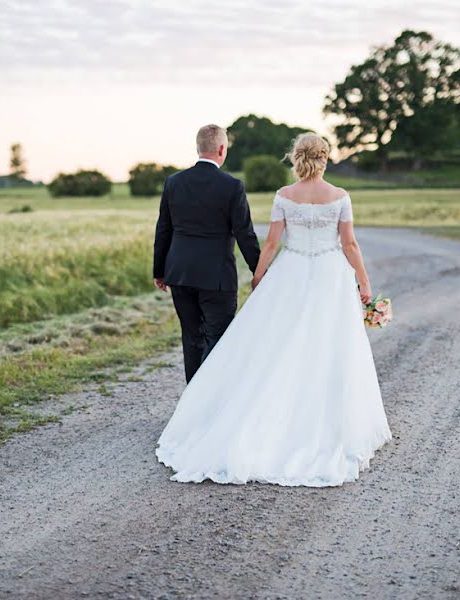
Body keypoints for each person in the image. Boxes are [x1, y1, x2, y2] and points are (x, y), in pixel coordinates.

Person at [155, 132, 392, 487]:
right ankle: (324, 420)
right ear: (324, 158)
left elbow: (271, 241)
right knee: (328, 345)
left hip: (291, 271)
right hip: (330, 276)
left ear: (296, 158)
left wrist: (261, 275)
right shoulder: (341, 197)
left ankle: (241, 413)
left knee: (277, 344)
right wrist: (364, 283)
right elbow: (350, 244)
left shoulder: (284, 196)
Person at [153, 124, 261, 383]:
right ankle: (208, 402)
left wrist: (159, 271)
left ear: (198, 148)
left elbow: (163, 229)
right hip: (217, 278)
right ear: (222, 149)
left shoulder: (174, 182)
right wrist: (261, 271)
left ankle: (193, 401)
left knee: (191, 338)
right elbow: (245, 234)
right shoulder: (232, 186)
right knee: (219, 340)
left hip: (179, 273)